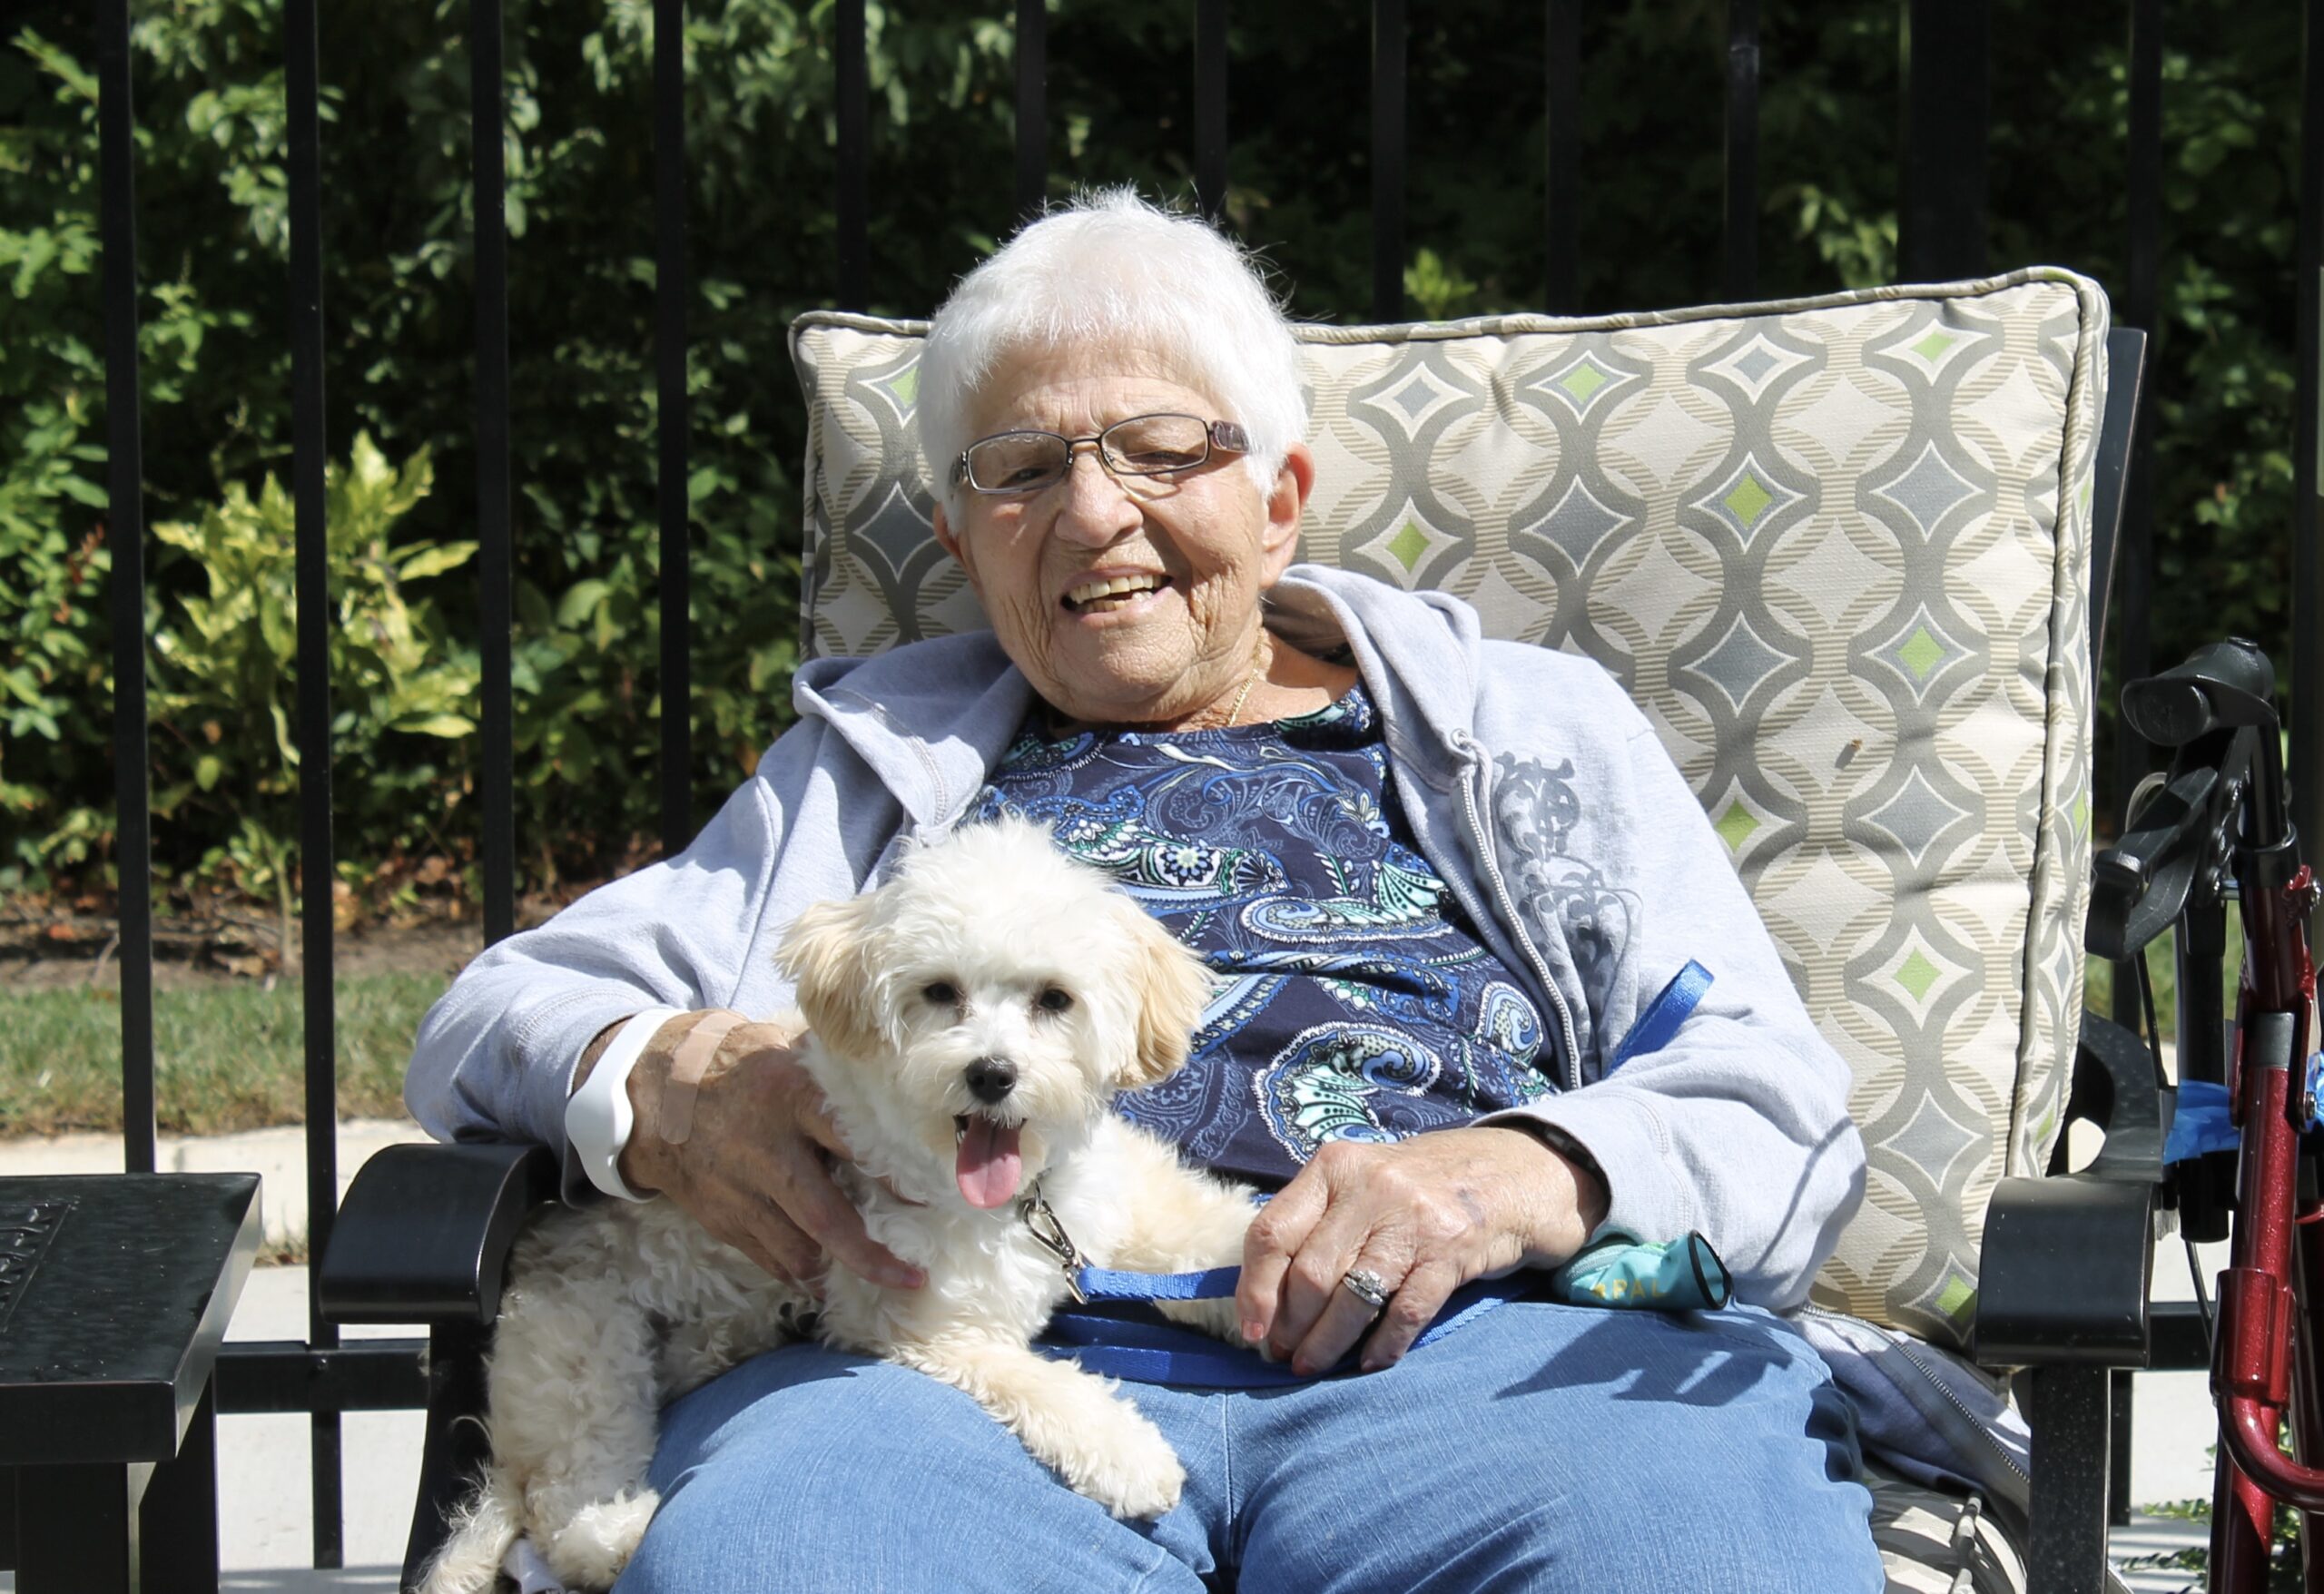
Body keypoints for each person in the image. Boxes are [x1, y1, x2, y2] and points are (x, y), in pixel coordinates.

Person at [409, 189, 1883, 1590]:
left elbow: (1775, 1105)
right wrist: (663, 1075)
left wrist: (1514, 1176)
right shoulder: (864, 767)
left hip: (1482, 1364)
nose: (1095, 515)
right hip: (929, 1386)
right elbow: (491, 1015)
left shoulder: (1533, 725)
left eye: (1163, 450)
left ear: (1280, 499)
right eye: (1022, 470)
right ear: (958, 536)